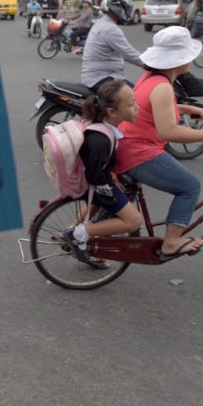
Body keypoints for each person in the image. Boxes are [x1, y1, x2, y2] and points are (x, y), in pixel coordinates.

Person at [113, 26, 203, 258]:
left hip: (128, 145)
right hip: (139, 153)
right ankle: (171, 242)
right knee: (190, 187)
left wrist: (186, 108)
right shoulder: (162, 87)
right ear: (177, 61)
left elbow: (150, 108)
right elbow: (168, 131)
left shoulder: (150, 78)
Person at [63, 79, 142, 267]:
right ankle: (78, 234)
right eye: (131, 105)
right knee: (133, 222)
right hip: (95, 183)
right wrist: (111, 180)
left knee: (102, 205)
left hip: (92, 180)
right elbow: (94, 176)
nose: (137, 108)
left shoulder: (101, 127)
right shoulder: (101, 140)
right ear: (112, 112)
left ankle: (77, 231)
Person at [81, 0, 143, 92]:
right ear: (117, 8)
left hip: (103, 76)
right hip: (102, 78)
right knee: (138, 95)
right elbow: (129, 53)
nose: (128, 12)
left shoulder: (104, 23)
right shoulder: (109, 28)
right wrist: (149, 64)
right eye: (125, 8)